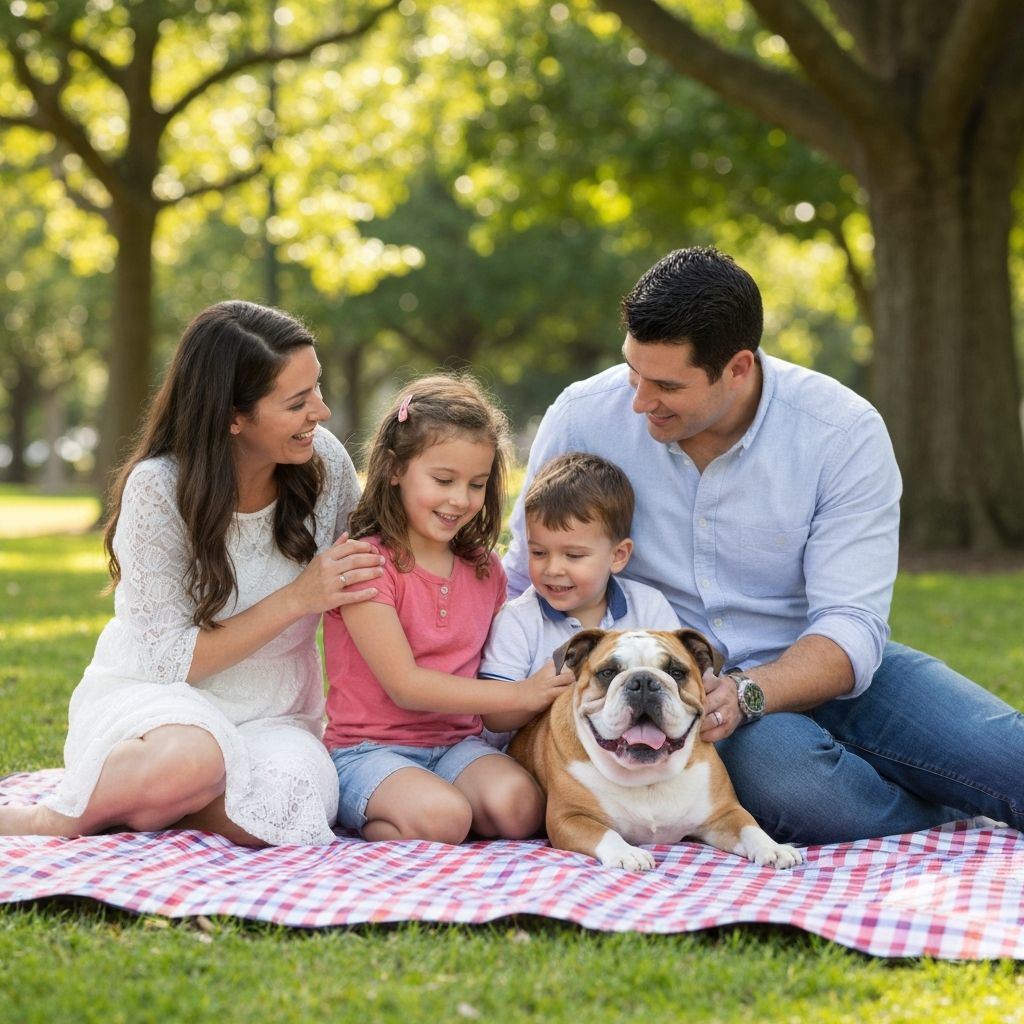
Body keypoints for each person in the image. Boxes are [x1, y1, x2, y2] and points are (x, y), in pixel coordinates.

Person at [505, 245, 1024, 846]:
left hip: (824, 668)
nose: (640, 400)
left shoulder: (842, 433)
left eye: (666, 385)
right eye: (633, 372)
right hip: (692, 697)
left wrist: (754, 691)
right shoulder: (581, 418)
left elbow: (851, 624)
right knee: (799, 791)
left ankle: (933, 785)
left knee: (1007, 758)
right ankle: (940, 820)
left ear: (738, 368)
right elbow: (526, 576)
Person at [0, 301, 385, 846]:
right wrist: (298, 598)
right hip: (157, 702)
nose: (321, 412)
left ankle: (145, 807)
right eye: (297, 402)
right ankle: (52, 821)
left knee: (295, 808)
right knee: (193, 759)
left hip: (274, 712)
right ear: (232, 415)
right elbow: (168, 662)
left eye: (317, 388)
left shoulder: (324, 465)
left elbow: (380, 566)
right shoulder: (158, 489)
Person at [322, 373, 572, 845]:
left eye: (476, 484)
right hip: (369, 750)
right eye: (443, 480)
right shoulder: (366, 565)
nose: (461, 500)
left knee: (522, 808)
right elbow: (406, 687)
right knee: (444, 818)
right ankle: (380, 813)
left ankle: (437, 806)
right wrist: (522, 695)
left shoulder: (485, 570)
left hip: (458, 745)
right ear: (395, 469)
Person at [479, 451, 680, 694]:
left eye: (573, 556)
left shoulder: (649, 609)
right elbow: (495, 719)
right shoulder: (518, 621)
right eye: (539, 553)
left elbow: (678, 682)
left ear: (618, 556)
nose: (552, 570)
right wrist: (531, 692)